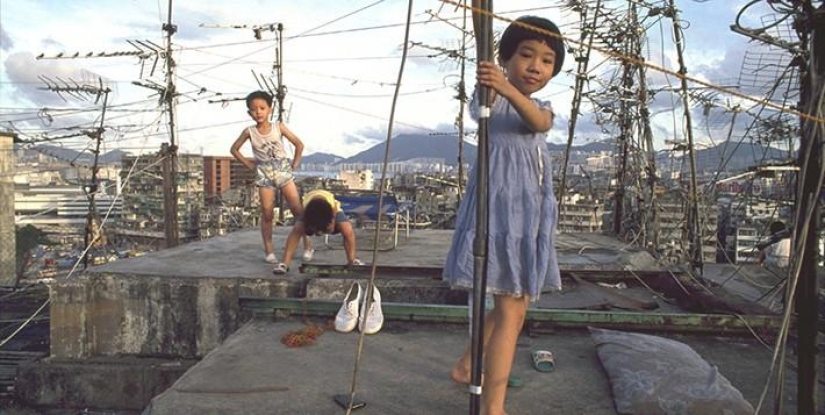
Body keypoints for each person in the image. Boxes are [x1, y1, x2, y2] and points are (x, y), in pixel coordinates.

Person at [442, 14, 565, 415]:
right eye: (526, 55)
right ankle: (493, 406)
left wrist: (508, 87)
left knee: (512, 306)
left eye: (547, 60)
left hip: (527, 217)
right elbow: (488, 86)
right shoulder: (490, 97)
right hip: (498, 218)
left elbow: (539, 121)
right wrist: (495, 81)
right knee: (511, 311)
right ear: (506, 57)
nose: (536, 66)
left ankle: (465, 365)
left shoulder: (536, 106)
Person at [230, 90, 312, 265]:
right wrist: (250, 165)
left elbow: (299, 144)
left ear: (270, 109)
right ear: (249, 113)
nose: (258, 112)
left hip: (282, 169)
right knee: (267, 212)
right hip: (264, 173)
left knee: (297, 209)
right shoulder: (249, 132)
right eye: (254, 109)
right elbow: (234, 149)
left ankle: (307, 244)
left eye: (262, 108)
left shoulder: (278, 127)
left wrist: (295, 163)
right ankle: (269, 249)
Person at [273, 189, 363, 274]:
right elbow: (302, 225)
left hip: (331, 210)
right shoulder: (306, 209)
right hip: (310, 211)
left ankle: (352, 260)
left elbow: (332, 222)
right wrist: (311, 229)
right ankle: (285, 264)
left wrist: (331, 226)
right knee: (297, 229)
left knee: (347, 229)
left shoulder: (332, 207)